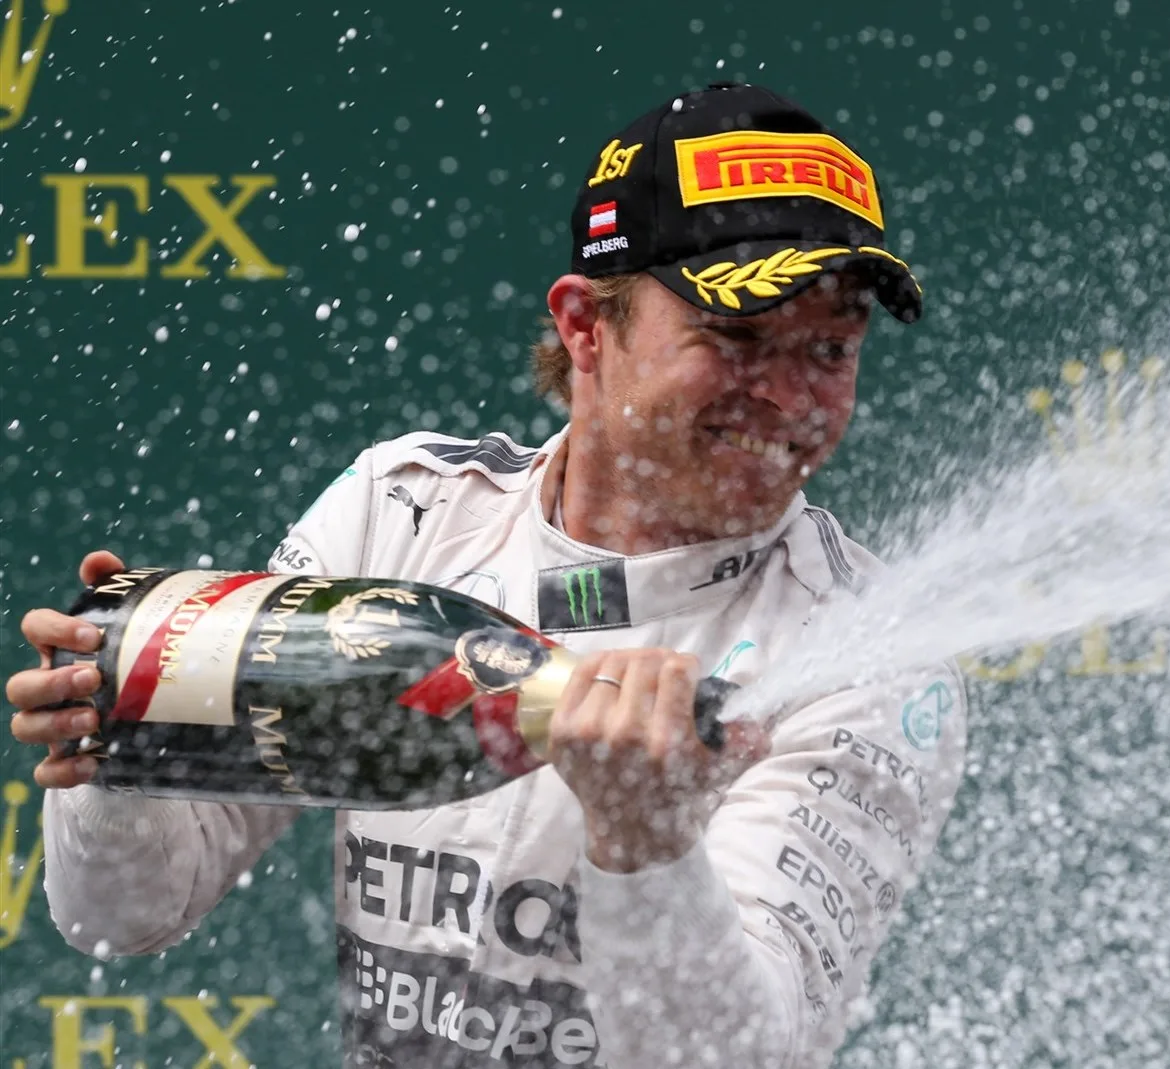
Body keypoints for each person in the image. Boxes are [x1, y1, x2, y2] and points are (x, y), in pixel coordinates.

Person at [5, 82, 967, 1069]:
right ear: (587, 325)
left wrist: (647, 845)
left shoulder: (874, 654)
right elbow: (121, 915)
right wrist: (116, 744)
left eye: (830, 349)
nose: (788, 397)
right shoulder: (403, 506)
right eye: (736, 338)